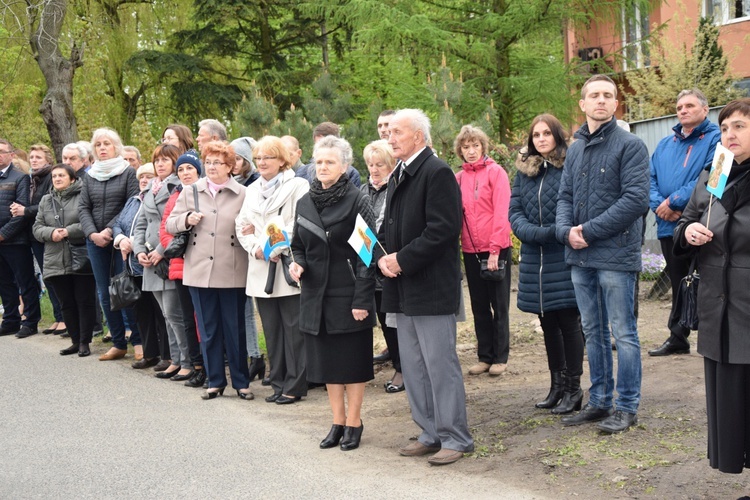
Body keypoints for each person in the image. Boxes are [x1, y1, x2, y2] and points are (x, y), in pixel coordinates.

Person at [377, 109, 474, 465]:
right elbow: (390, 226)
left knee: (439, 365)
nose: (390, 138)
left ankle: (455, 437)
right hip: (403, 288)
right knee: (415, 367)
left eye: (397, 132)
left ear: (418, 135)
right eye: (389, 133)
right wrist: (383, 255)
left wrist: (401, 259)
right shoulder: (398, 175)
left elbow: (443, 230)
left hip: (431, 288)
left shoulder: (437, 172)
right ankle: (429, 431)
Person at [556, 75, 649, 433]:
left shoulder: (631, 145)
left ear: (615, 104)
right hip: (580, 256)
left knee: (623, 333)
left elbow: (635, 201)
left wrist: (587, 232)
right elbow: (565, 196)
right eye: (594, 95)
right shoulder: (576, 148)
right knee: (592, 330)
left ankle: (626, 406)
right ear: (582, 104)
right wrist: (567, 232)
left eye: (608, 95)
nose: (601, 100)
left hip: (615, 254)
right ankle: (599, 402)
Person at [674, 97, 750, 473]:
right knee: (731, 401)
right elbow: (679, 228)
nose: (730, 134)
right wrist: (688, 231)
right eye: (724, 128)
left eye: (740, 126)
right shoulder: (715, 171)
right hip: (718, 306)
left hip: (748, 304)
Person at [289, 135, 376, 450]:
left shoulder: (357, 199)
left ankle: (354, 422)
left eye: (329, 162)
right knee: (327, 364)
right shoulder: (304, 202)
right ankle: (337, 421)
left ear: (344, 166)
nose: (322, 167)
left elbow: (368, 254)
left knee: (351, 364)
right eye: (319, 161)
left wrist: (363, 298)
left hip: (348, 293)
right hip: (315, 296)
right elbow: (298, 245)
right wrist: (296, 264)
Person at [166, 140, 253, 400]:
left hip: (233, 269)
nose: (212, 166)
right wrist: (185, 219)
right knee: (208, 329)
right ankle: (215, 381)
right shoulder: (191, 192)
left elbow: (253, 221)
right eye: (209, 162)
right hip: (199, 270)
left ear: (230, 167)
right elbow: (170, 224)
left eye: (218, 162)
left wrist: (252, 228)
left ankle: (241, 382)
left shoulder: (243, 193)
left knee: (234, 329)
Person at [510, 114, 584, 414]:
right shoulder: (524, 172)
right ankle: (556, 385)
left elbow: (574, 210)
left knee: (568, 323)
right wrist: (539, 233)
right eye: (536, 134)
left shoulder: (569, 168)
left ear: (557, 136)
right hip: (534, 260)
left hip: (562, 257)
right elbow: (514, 212)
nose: (541, 139)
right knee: (547, 323)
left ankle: (573, 388)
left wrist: (554, 233)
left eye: (546, 134)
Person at [236, 136, 309, 404]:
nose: (262, 162)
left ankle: (295, 385)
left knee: (293, 329)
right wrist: (256, 248)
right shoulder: (252, 189)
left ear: (282, 160)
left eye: (268, 157)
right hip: (259, 267)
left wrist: (270, 248)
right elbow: (241, 224)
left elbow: (295, 223)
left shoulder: (298, 185)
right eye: (258, 158)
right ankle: (277, 382)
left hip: (287, 265)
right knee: (272, 329)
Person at [648, 89, 721, 357]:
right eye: (679, 107)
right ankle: (678, 336)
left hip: (705, 223)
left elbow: (714, 177)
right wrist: (660, 206)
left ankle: (716, 338)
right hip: (670, 226)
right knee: (680, 282)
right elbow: (650, 178)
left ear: (705, 109)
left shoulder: (718, 139)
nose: (683, 110)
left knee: (712, 282)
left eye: (689, 105)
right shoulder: (665, 145)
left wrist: (676, 201)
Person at [78, 127, 142, 361]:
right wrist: (92, 233)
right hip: (95, 241)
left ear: (116, 146)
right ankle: (117, 342)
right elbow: (83, 207)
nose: (102, 148)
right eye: (98, 145)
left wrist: (109, 230)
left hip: (120, 239)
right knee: (105, 292)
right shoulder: (90, 174)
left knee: (125, 290)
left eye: (107, 143)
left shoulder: (127, 172)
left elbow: (130, 206)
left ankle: (138, 341)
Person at [454, 125, 512, 378]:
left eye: (475, 145)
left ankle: (500, 357)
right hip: (470, 248)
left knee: (499, 305)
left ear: (483, 147)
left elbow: (502, 212)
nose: (471, 151)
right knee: (479, 306)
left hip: (496, 249)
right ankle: (484, 356)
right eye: (466, 147)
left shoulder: (496, 173)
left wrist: (495, 250)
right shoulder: (458, 179)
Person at [134, 144, 194, 380]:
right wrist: (139, 250)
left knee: (174, 313)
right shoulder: (150, 188)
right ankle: (175, 360)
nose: (160, 164)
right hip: (149, 259)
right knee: (166, 315)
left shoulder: (177, 188)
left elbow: (173, 226)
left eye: (165, 160)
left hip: (168, 257)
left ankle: (187, 361)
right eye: (157, 160)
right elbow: (141, 224)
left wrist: (160, 250)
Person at [32, 164, 96, 356]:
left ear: (72, 179)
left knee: (84, 300)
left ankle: (85, 341)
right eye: (54, 176)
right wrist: (52, 233)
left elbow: (88, 221)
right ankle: (75, 341)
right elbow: (37, 227)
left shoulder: (83, 195)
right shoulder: (45, 200)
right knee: (66, 302)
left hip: (79, 255)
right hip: (55, 256)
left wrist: (68, 231)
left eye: (61, 175)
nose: (57, 179)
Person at [113, 162, 169, 370]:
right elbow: (117, 223)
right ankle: (149, 352)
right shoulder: (133, 200)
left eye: (149, 176)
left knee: (159, 311)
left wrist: (136, 241)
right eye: (141, 177)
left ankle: (167, 355)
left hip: (151, 261)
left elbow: (154, 226)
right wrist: (120, 239)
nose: (144, 180)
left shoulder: (157, 199)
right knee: (142, 312)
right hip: (132, 266)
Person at [159, 151, 206, 388]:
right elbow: (165, 228)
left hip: (204, 264)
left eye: (189, 168)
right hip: (180, 265)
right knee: (188, 318)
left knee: (203, 319)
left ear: (198, 170)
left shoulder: (207, 192)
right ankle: (196, 366)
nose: (185, 173)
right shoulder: (175, 196)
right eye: (181, 170)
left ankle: (210, 365)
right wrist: (177, 248)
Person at [361, 140, 403, 392]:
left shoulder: (397, 188)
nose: (374, 170)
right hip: (369, 263)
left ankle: (403, 369)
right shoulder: (363, 190)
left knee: (396, 322)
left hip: (391, 264)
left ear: (392, 164)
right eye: (370, 164)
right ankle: (399, 364)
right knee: (384, 321)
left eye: (380, 165)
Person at [11, 144, 66, 336]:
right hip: (32, 234)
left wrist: (24, 211)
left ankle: (63, 318)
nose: (34, 160)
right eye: (32, 157)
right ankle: (58, 317)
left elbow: (47, 206)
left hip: (48, 232)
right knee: (45, 276)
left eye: (38, 157)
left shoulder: (50, 178)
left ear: (48, 161)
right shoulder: (31, 179)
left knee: (53, 276)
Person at [230, 136, 264, 380]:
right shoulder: (228, 182)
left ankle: (257, 356)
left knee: (253, 310)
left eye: (238, 158)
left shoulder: (254, 183)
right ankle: (251, 355)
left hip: (255, 251)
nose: (233, 163)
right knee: (241, 310)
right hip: (237, 249)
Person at [0, 138, 41, 338]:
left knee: (25, 281)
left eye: (1, 151)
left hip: (15, 240)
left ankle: (31, 321)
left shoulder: (20, 178)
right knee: (4, 282)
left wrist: (3, 234)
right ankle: (10, 320)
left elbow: (21, 210)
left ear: (11, 155)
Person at [295, 122, 361, 187]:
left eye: (327, 144)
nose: (322, 149)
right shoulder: (302, 172)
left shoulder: (351, 174)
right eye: (319, 144)